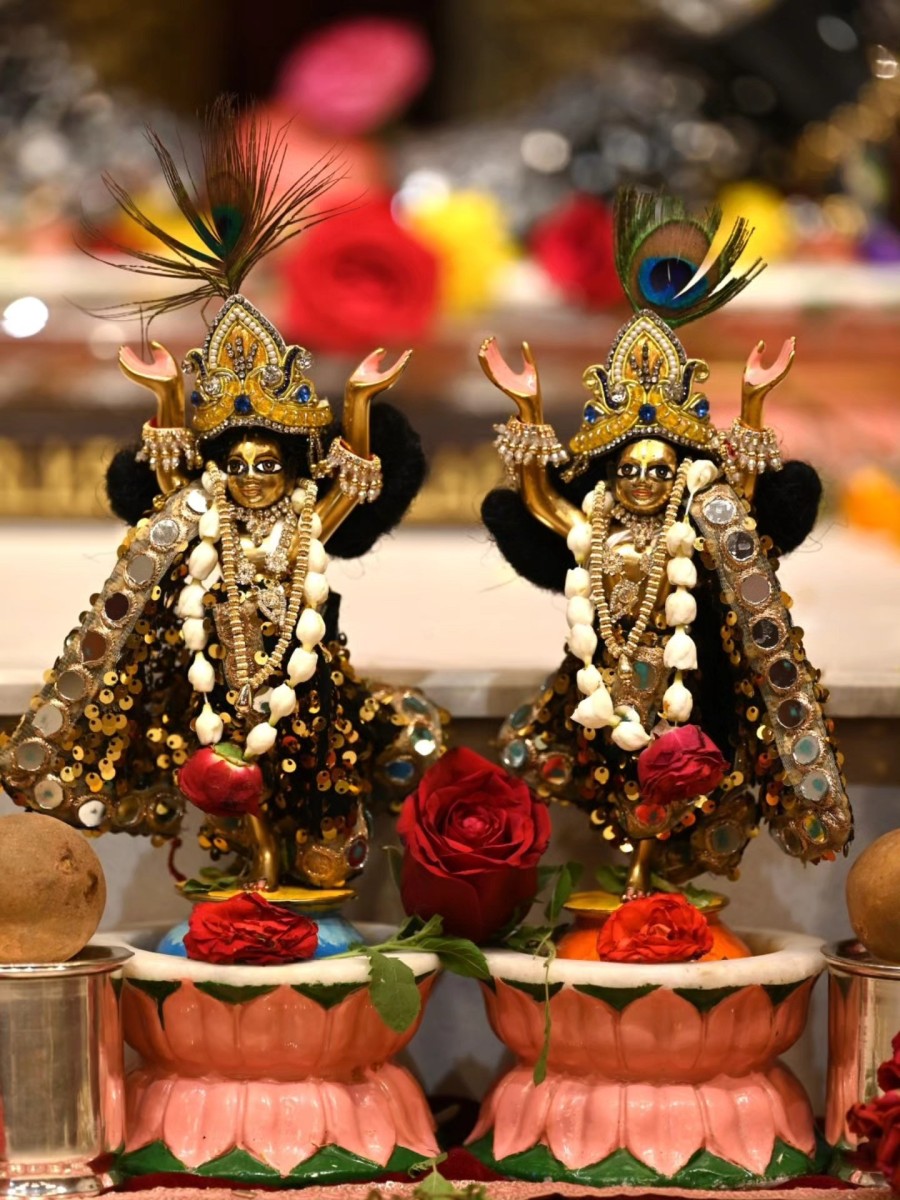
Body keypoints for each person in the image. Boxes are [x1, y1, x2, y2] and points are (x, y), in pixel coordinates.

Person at [0, 105, 442, 895]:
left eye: (268, 462)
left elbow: (351, 482)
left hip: (303, 696)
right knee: (229, 807)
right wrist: (167, 397)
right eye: (236, 464)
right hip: (214, 697)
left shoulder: (307, 518)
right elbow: (171, 487)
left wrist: (361, 404)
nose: (252, 476)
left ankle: (287, 877)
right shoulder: (203, 519)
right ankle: (248, 878)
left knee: (311, 814)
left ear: (292, 465)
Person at [481, 189, 851, 893]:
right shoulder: (593, 526)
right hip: (602, 688)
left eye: (659, 470)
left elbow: (744, 508)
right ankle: (636, 881)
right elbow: (539, 502)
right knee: (614, 781)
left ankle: (654, 884)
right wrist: (525, 407)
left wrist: (754, 401)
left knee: (683, 785)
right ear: (610, 475)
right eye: (630, 470)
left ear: (678, 475)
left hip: (687, 690)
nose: (644, 481)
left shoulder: (698, 526)